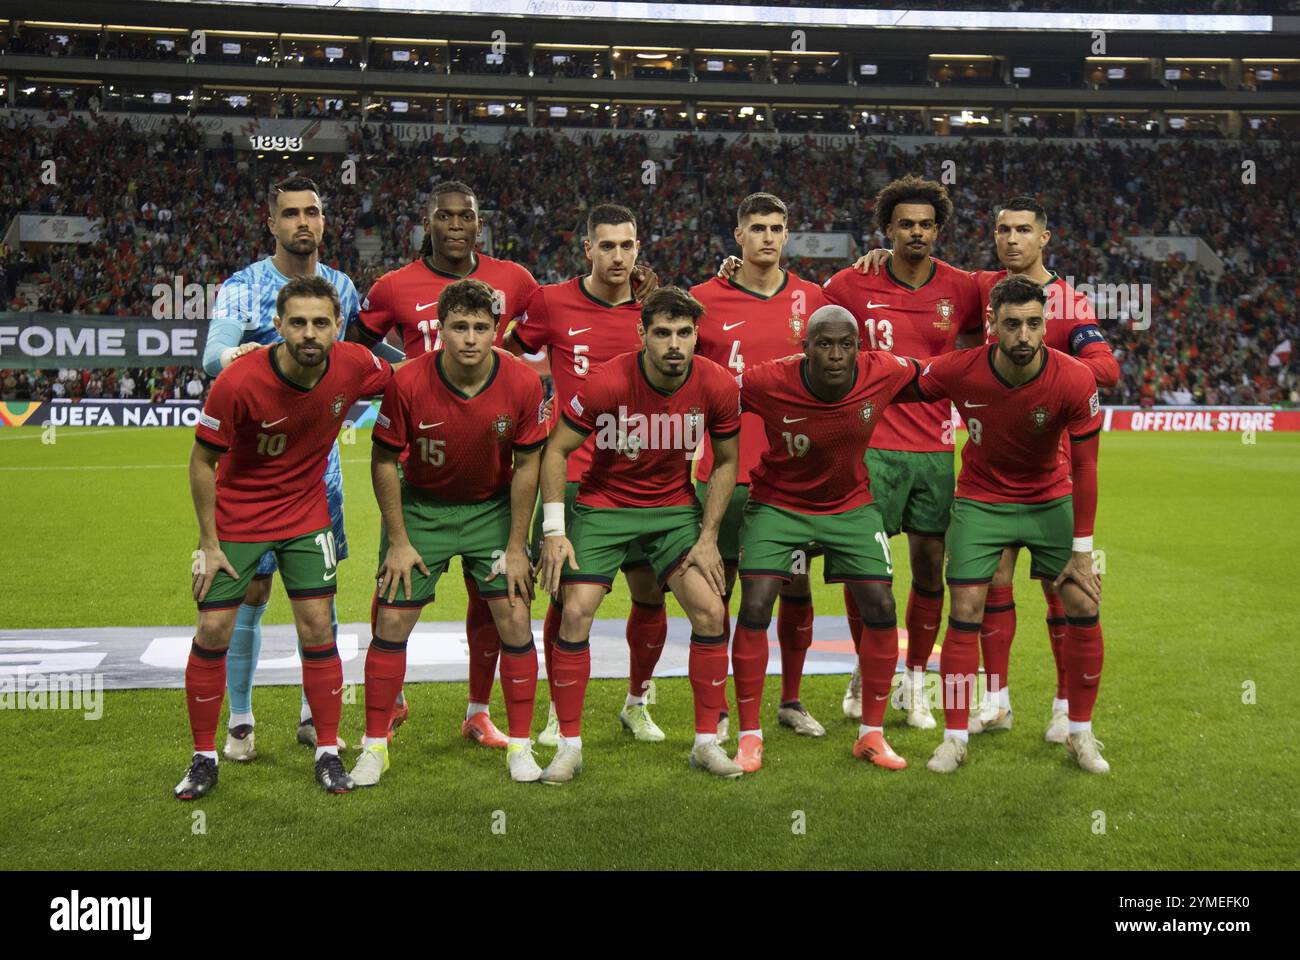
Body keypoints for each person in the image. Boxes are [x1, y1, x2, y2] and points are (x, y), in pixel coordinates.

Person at [856, 195, 1120, 742]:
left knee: (1062, 591)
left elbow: (1107, 368)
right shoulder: (981, 288)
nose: (1012, 240)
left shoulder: (1067, 302)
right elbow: (925, 275)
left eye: (1024, 230)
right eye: (1003, 230)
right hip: (989, 473)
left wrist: (1052, 367)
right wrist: (881, 256)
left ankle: (1064, 707)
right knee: (989, 584)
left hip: (1054, 467)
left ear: (1044, 237)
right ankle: (995, 700)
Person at [201, 175, 403, 762]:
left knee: (320, 595)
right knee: (252, 592)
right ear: (272, 222)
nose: (303, 222)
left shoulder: (339, 284)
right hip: (253, 470)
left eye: (312, 211)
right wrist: (237, 355)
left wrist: (427, 366)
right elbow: (214, 354)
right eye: (290, 213)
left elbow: (369, 353)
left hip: (320, 471)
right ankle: (241, 720)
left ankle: (317, 717)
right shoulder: (243, 288)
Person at [178, 275, 396, 799]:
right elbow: (202, 462)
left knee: (319, 626)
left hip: (305, 513)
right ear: (278, 326)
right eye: (297, 322)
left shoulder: (355, 364)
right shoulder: (238, 382)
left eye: (321, 322)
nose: (309, 332)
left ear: (337, 326)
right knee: (213, 629)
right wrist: (208, 544)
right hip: (239, 517)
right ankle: (204, 756)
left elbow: (407, 380)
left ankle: (326, 750)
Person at [347, 180, 540, 750]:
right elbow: (357, 345)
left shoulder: (517, 280)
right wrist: (395, 380)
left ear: (479, 223)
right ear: (427, 223)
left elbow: (551, 324)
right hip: (420, 464)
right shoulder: (394, 285)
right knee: (393, 594)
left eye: (466, 217)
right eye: (445, 217)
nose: (456, 226)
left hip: (492, 472)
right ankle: (390, 703)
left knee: (494, 602)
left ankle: (479, 712)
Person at [537, 287, 742, 781]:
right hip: (604, 506)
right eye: (662, 333)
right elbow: (556, 452)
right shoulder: (608, 382)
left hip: (672, 509)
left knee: (712, 610)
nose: (674, 344)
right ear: (642, 335)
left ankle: (705, 743)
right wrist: (554, 531)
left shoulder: (716, 384)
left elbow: (728, 462)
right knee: (577, 611)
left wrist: (709, 535)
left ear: (697, 336)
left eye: (684, 333)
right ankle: (568, 745)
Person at [910, 274, 1109, 774]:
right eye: (1012, 324)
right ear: (993, 327)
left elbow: (1086, 468)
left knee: (1083, 599)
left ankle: (1081, 734)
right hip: (981, 500)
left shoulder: (1074, 378)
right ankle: (954, 738)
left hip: (1050, 498)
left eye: (1034, 324)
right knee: (967, 607)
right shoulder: (960, 369)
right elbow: (900, 381)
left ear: (1046, 326)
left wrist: (1083, 549)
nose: (1024, 335)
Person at [504, 204, 673, 748]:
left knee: (651, 594)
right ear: (588, 251)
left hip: (647, 476)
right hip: (572, 473)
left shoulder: (654, 310)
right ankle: (559, 709)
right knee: (563, 596)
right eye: (607, 246)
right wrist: (533, 410)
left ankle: (638, 701)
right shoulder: (550, 302)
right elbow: (508, 356)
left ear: (638, 249)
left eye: (627, 246)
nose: (618, 256)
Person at [731, 305, 922, 772]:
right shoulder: (765, 380)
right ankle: (749, 736)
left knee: (880, 606)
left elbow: (948, 377)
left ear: (860, 347)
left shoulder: (886, 371)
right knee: (755, 604)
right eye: (824, 344)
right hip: (778, 502)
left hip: (850, 504)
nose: (836, 355)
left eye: (845, 344)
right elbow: (710, 395)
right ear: (805, 347)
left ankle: (870, 735)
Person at [822, 175, 984, 728]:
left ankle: (915, 679)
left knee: (930, 570)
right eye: (905, 224)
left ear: (938, 231)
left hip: (937, 450)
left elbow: (1024, 295)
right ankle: (869, 672)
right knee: (865, 572)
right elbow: (804, 322)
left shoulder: (963, 288)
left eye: (925, 225)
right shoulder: (849, 284)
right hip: (869, 447)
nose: (916, 233)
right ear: (886, 229)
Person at [693, 191, 831, 740]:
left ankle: (790, 700)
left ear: (787, 233)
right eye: (757, 228)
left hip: (791, 478)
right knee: (718, 591)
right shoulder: (704, 300)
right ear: (739, 236)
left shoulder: (815, 300)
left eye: (777, 227)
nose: (768, 237)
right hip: (726, 470)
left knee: (793, 586)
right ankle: (721, 707)